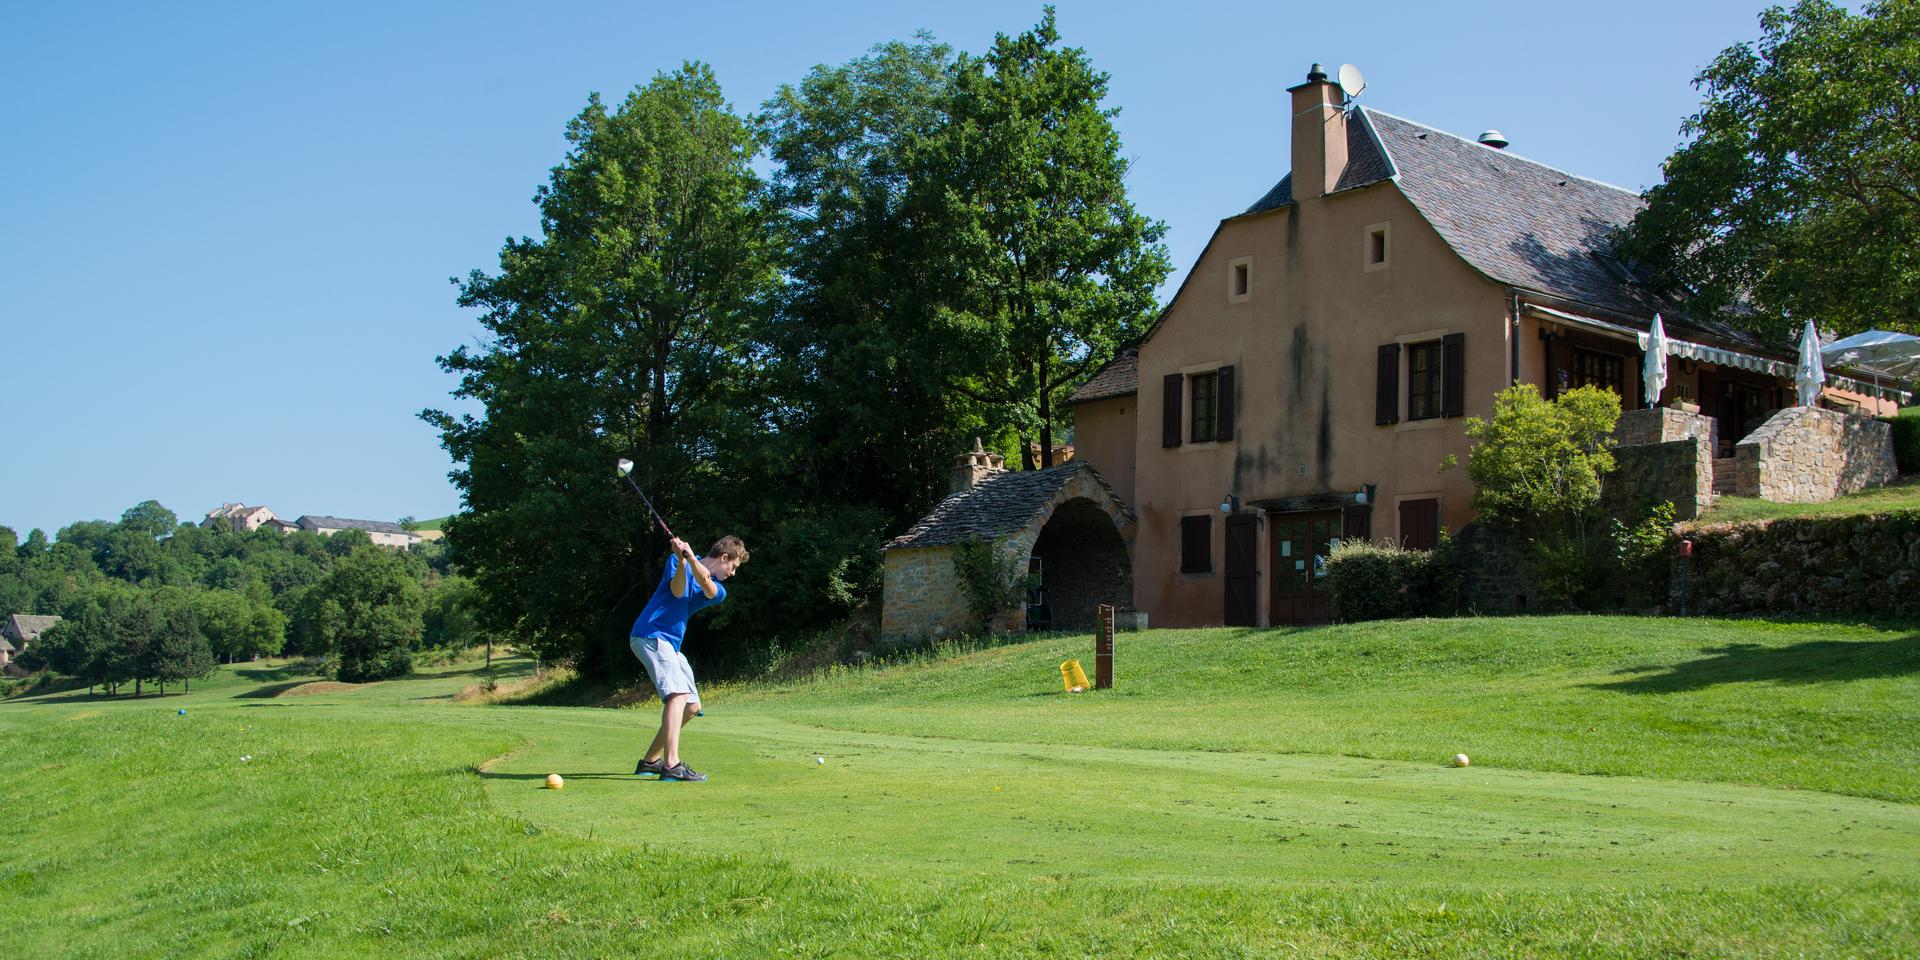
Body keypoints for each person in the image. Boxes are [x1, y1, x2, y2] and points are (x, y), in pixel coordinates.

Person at [630, 534, 747, 782]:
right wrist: (682, 560)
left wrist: (690, 557)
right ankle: (671, 764)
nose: (733, 573)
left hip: (670, 645)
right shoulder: (676, 563)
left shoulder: (719, 589)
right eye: (733, 566)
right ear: (724, 557)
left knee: (691, 706)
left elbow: (706, 583)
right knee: (678, 695)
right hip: (652, 635)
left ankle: (650, 761)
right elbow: (677, 589)